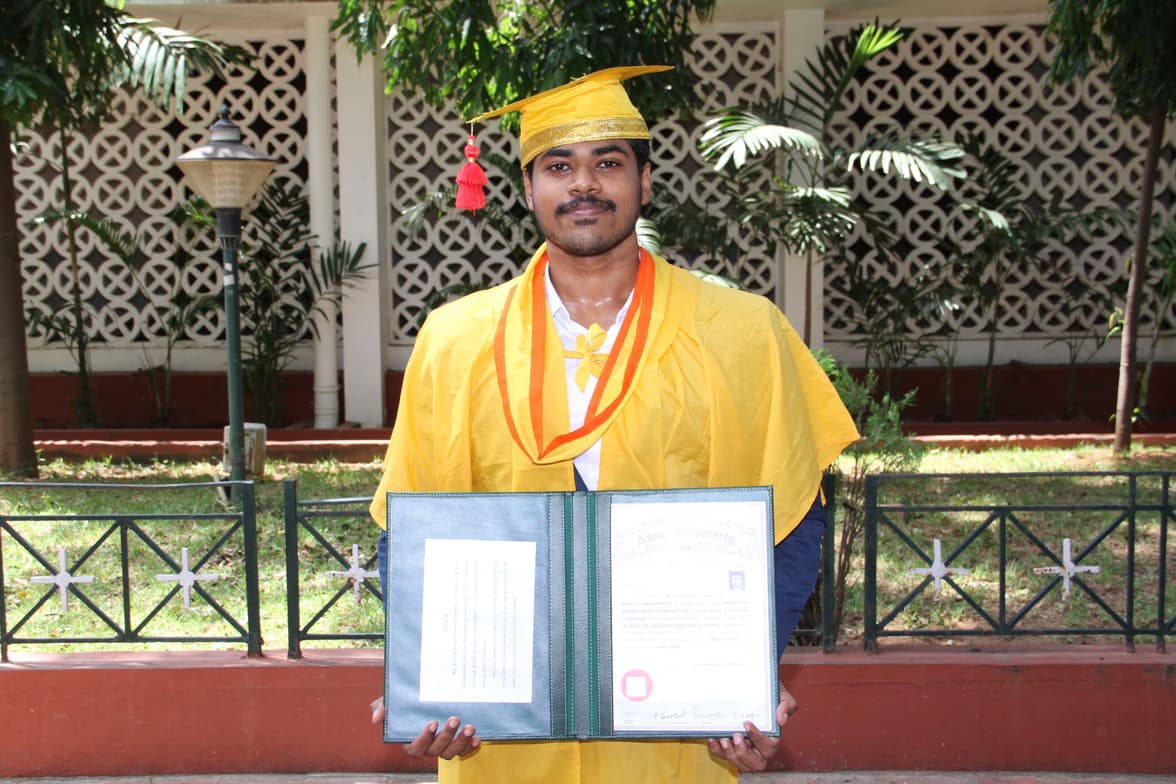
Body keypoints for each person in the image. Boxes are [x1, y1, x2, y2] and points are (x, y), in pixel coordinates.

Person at [368, 65, 859, 784]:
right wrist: (425, 679)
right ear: (528, 188)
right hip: (505, 740)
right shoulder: (455, 340)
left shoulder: (741, 333)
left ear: (645, 181)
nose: (584, 184)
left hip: (677, 737)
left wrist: (748, 679)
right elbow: (409, 532)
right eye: (559, 166)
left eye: (608, 163)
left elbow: (791, 523)